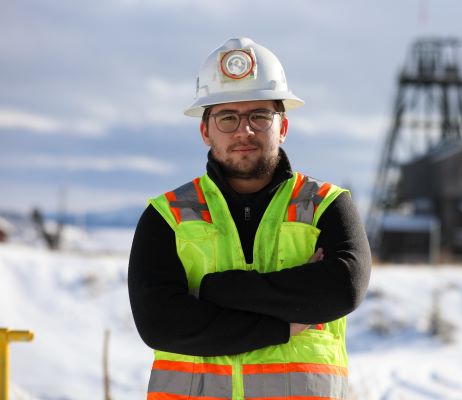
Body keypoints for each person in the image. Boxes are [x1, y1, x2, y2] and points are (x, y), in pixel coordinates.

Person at [128, 37, 371, 400]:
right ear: (205, 131)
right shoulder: (166, 217)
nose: (245, 130)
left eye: (260, 115)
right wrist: (283, 326)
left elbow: (342, 290)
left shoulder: (327, 206)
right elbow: (161, 325)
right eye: (228, 117)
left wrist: (217, 291)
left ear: (282, 127)